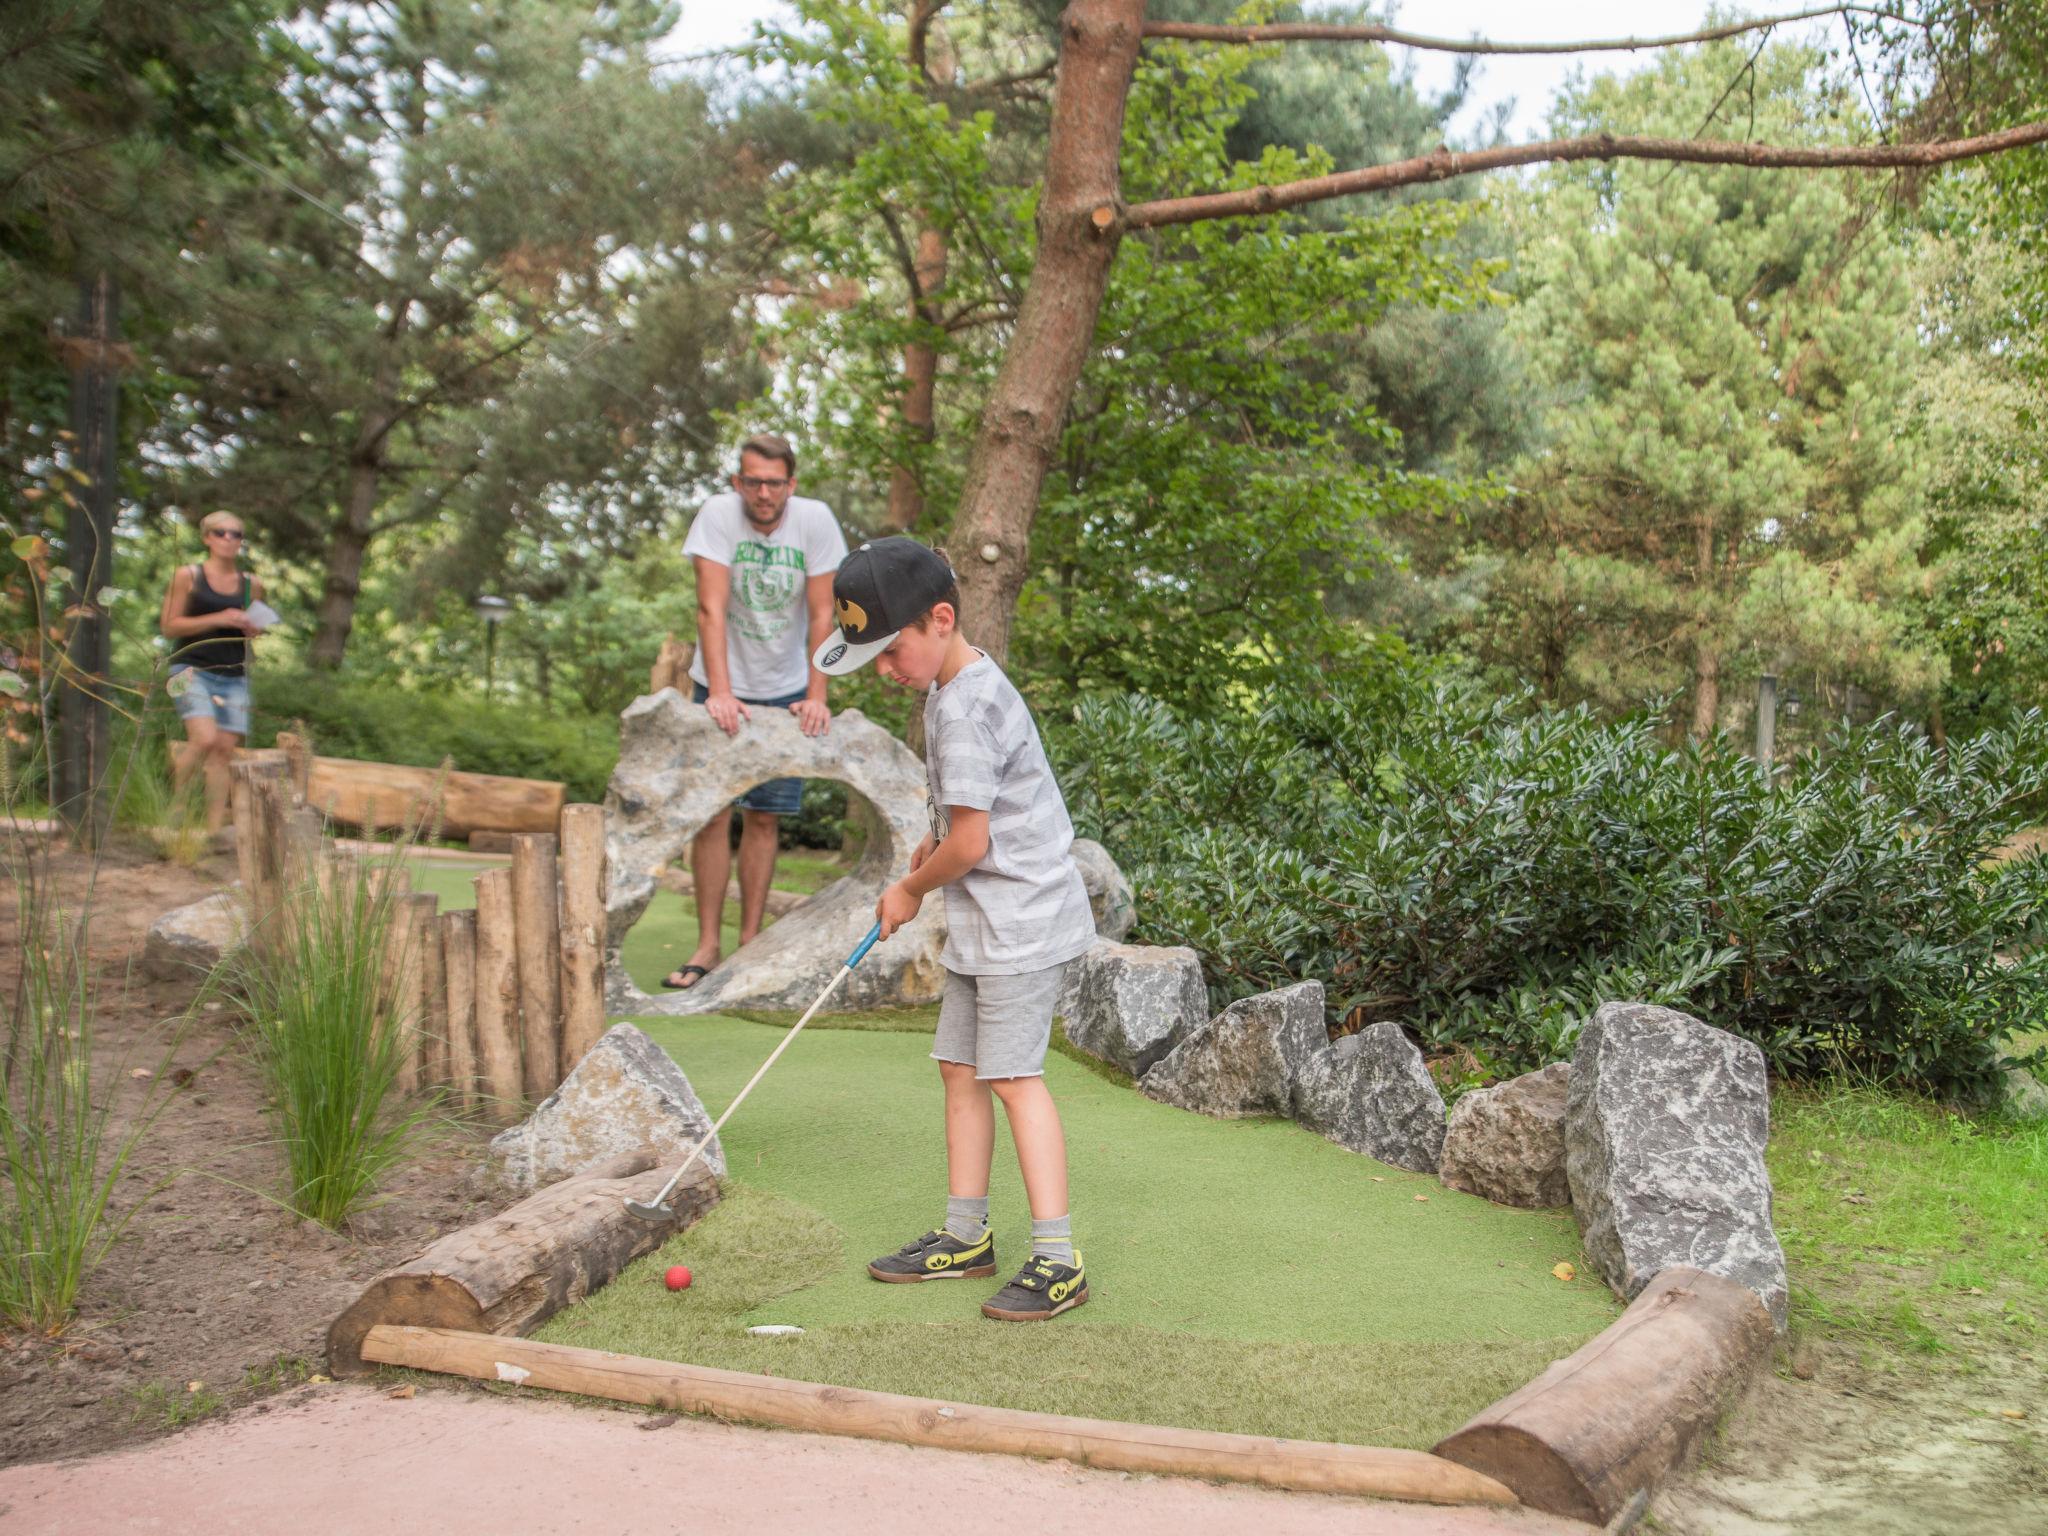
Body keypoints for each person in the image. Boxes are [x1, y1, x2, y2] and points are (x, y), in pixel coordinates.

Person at [813, 537, 1097, 1321]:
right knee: (959, 1068)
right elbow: (968, 822)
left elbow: (975, 845)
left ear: (941, 619)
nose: (882, 668)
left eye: (890, 648)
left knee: (1011, 1077)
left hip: (1020, 923)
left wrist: (910, 885)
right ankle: (967, 1237)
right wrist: (932, 846)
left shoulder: (965, 707)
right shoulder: (950, 687)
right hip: (987, 918)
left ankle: (1057, 1258)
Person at [664, 433, 848, 990]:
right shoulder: (718, 516)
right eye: (752, 481)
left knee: (765, 817)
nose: (763, 492)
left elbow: (823, 614)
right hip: (722, 682)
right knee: (714, 816)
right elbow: (709, 607)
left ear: (791, 484)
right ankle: (707, 946)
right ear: (736, 481)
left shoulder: (814, 521)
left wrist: (817, 694)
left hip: (786, 687)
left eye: (774, 482)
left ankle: (749, 943)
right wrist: (721, 692)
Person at [158, 511, 265, 833]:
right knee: (203, 738)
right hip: (187, 668)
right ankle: (174, 805)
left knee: (224, 750)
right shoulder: (187, 575)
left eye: (236, 534)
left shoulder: (252, 584)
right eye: (221, 533)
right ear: (207, 537)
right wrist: (219, 617)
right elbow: (168, 626)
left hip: (234, 673)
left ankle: (213, 829)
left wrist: (251, 628)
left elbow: (256, 626)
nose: (229, 539)